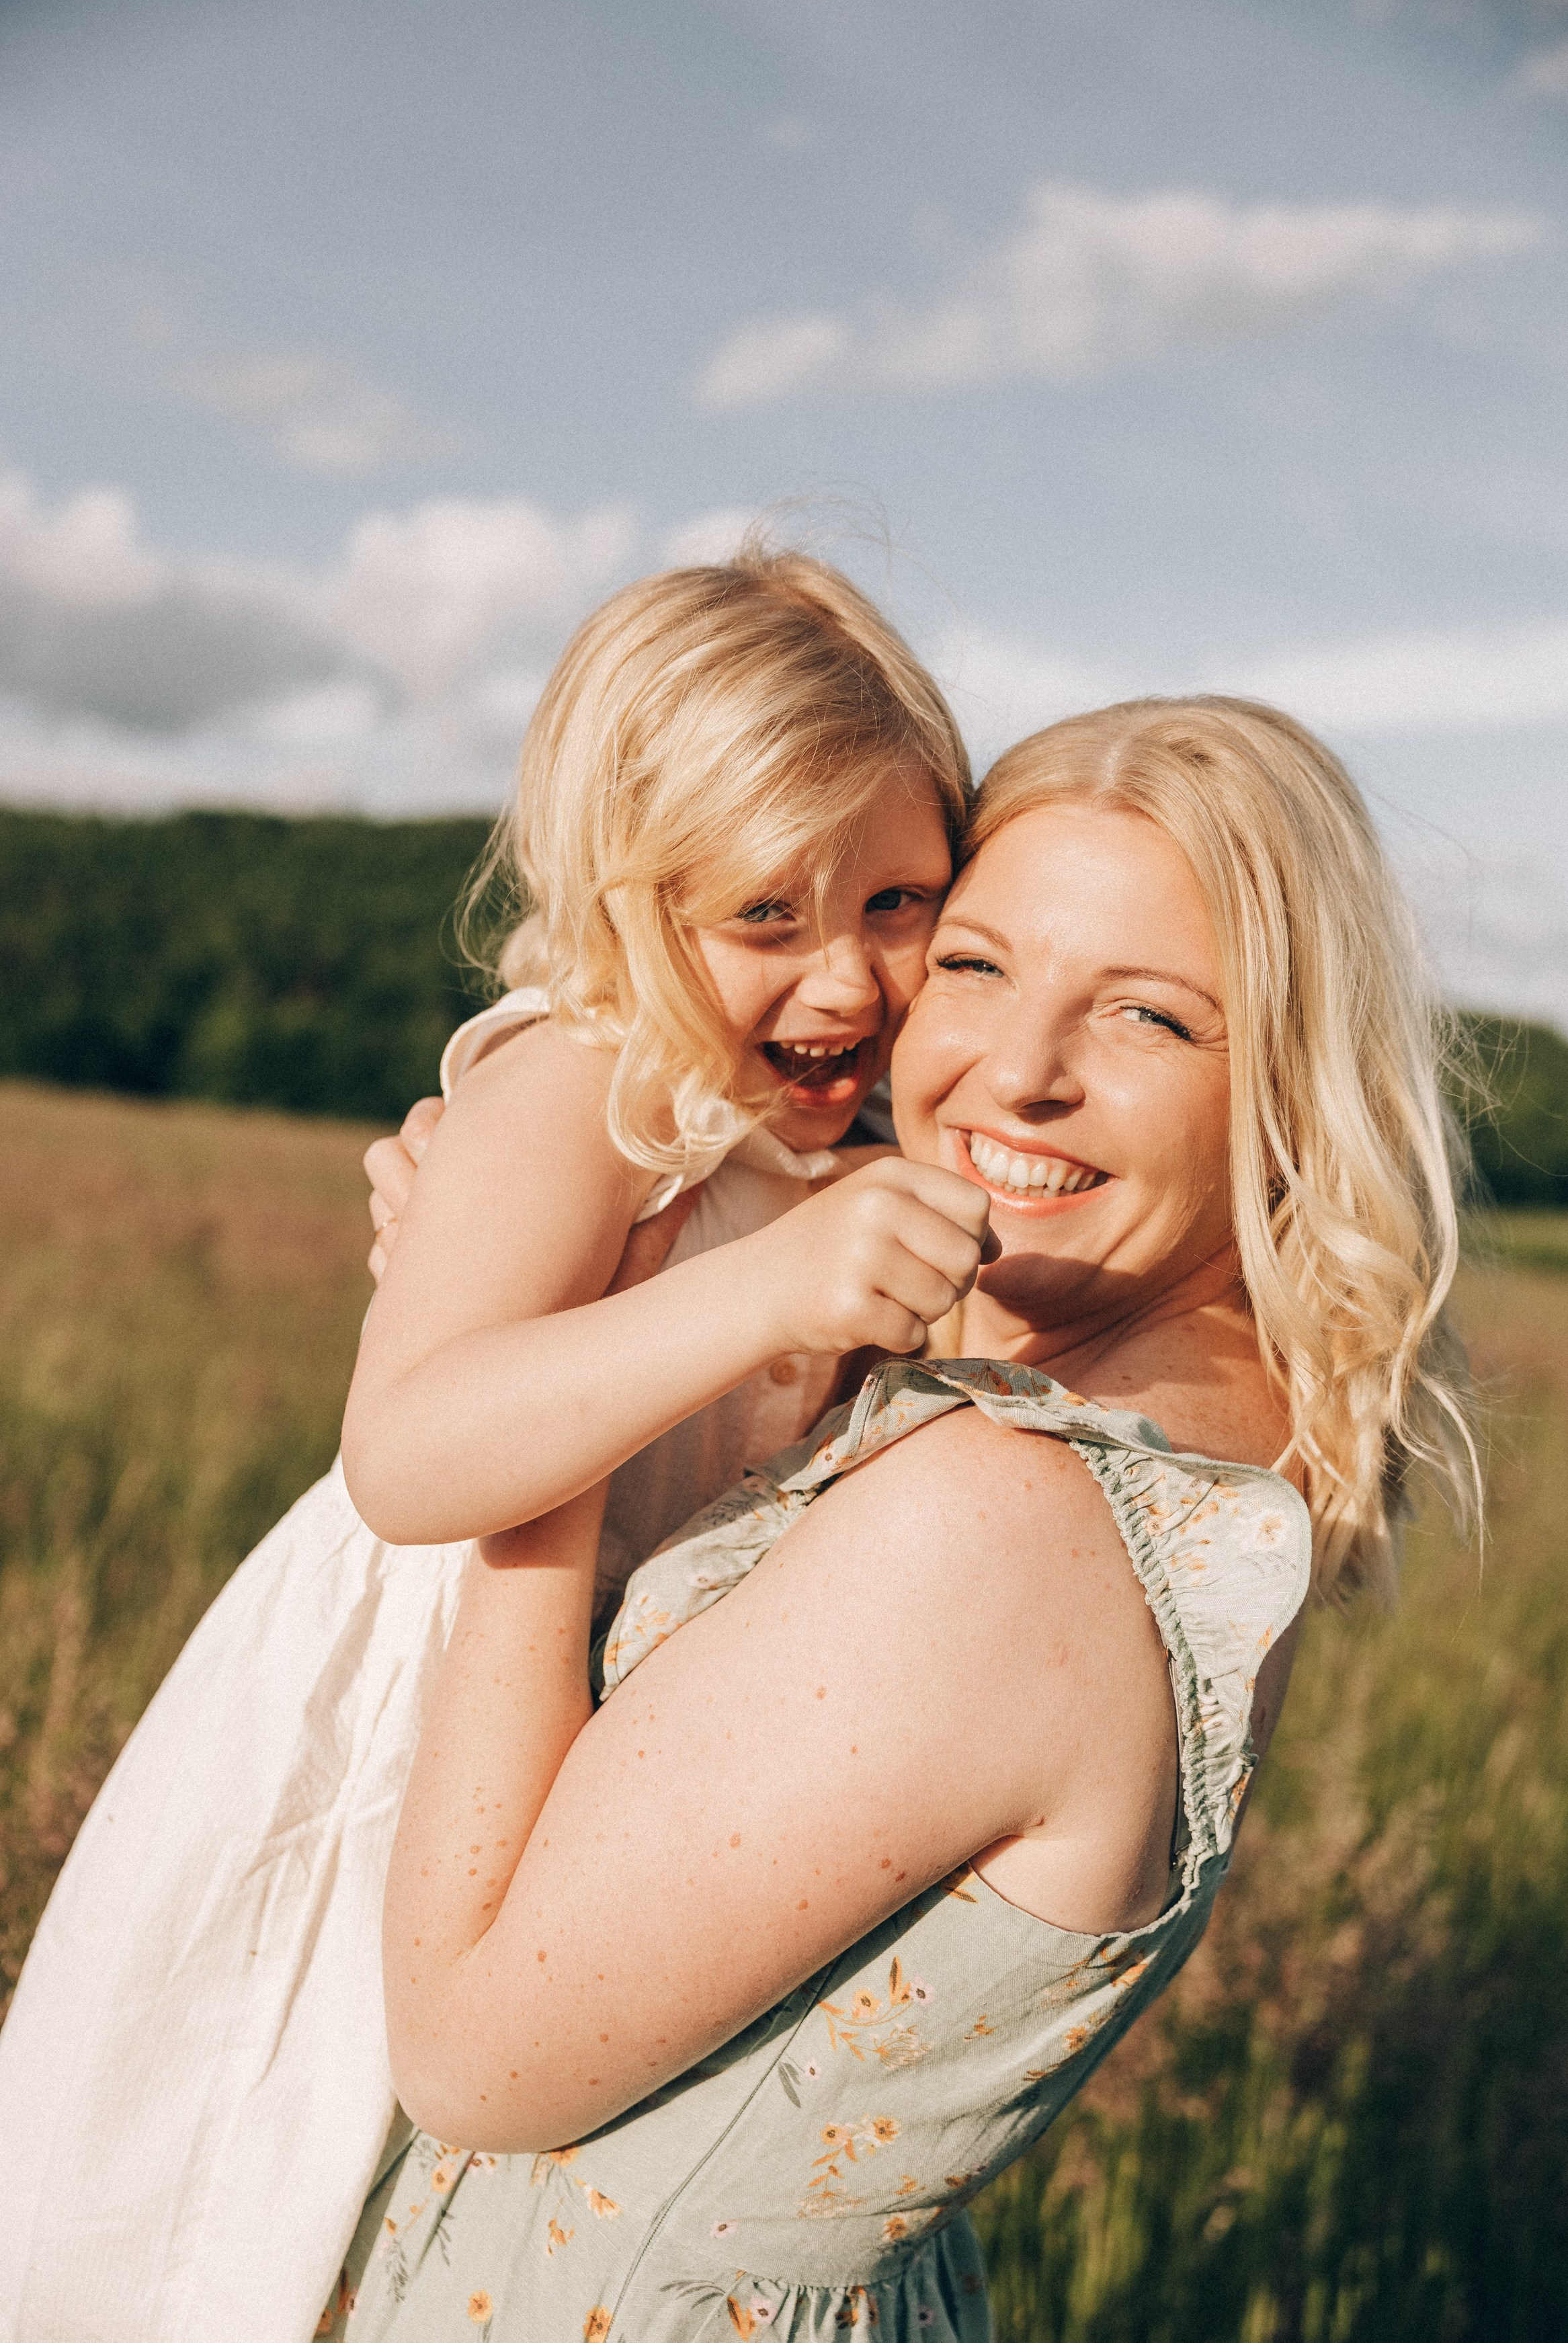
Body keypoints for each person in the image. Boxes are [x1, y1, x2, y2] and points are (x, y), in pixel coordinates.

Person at [331, 696, 1476, 2340]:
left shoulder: (1005, 1519)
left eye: (1148, 1018)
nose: (1015, 1071)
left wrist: (548, 1428)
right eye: (977, 964)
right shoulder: (1157, 1431)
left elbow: (467, 2053)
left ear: (1290, 1084)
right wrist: (525, 1298)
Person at [0, 550, 991, 2343]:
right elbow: (411, 1450)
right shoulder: (580, 1083)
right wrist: (768, 1286)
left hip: (585, 1773)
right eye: (763, 914)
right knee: (257, 2201)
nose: (845, 973)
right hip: (399, 1746)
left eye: (901, 899)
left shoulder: (830, 1156)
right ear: (622, 898)